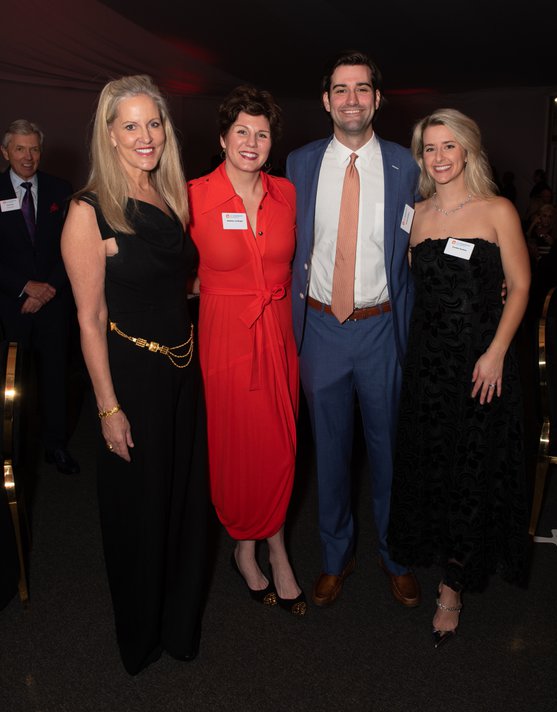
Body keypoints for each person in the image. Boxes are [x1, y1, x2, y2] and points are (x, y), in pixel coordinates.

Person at [61, 75, 208, 674]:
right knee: (140, 511)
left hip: (183, 369)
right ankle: (141, 638)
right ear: (109, 134)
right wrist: (107, 407)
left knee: (184, 506)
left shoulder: (170, 197)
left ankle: (178, 626)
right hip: (132, 378)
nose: (145, 136)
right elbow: (90, 319)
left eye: (154, 124)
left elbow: (182, 283)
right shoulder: (89, 210)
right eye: (131, 125)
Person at [387, 108, 531, 647]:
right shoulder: (415, 214)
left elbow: (519, 286)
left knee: (472, 469)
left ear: (468, 150)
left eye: (449, 146)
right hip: (429, 365)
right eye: (430, 148)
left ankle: (453, 587)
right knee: (435, 465)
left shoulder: (498, 210)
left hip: (480, 365)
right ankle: (437, 553)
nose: (440, 157)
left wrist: (495, 352)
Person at [286, 51, 421, 607]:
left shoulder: (407, 166)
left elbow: (442, 227)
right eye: (340, 90)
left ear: (377, 99)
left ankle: (396, 555)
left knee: (390, 450)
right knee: (330, 452)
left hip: (381, 328)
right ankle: (336, 556)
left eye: (362, 89)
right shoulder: (297, 163)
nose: (351, 99)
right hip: (320, 327)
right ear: (326, 100)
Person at [188, 86, 305, 615]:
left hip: (277, 332)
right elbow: (169, 269)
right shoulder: (192, 195)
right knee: (237, 447)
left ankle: (270, 543)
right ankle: (249, 544)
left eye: (262, 133)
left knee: (280, 443)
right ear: (223, 137)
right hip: (226, 335)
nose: (252, 142)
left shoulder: (287, 194)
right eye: (242, 131)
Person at [0, 120, 79, 474]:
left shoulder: (61, 189)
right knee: (10, 384)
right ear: (6, 152)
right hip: (9, 304)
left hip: (53, 302)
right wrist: (24, 286)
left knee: (55, 378)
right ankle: (10, 449)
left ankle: (55, 444)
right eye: (20, 148)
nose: (28, 156)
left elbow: (73, 248)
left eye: (34, 148)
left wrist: (48, 289)